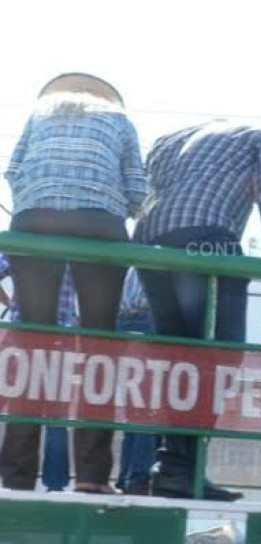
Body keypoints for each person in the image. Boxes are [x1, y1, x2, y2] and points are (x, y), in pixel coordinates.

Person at [135, 119, 261, 501]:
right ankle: (181, 468)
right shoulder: (257, 138)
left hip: (149, 241)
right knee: (219, 357)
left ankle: (172, 467)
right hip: (207, 235)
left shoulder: (168, 137)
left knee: (176, 358)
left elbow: (145, 187)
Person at [1, 72, 146, 494]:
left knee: (33, 345)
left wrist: (39, 202)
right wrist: (117, 208)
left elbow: (13, 171)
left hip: (34, 220)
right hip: (98, 222)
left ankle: (17, 476)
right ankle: (92, 477)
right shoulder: (120, 120)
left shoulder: (39, 115)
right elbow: (137, 186)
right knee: (100, 347)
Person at [0, 253, 78, 493]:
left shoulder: (26, 241)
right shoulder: (75, 248)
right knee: (56, 414)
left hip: (24, 332)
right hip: (62, 334)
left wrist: (10, 303)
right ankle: (55, 484)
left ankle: (16, 481)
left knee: (21, 407)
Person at [114, 268, 159, 496]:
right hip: (147, 315)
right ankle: (138, 477)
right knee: (146, 404)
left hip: (124, 316)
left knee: (135, 406)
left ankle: (128, 477)